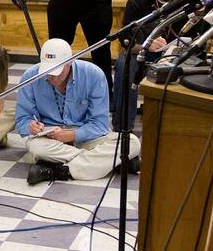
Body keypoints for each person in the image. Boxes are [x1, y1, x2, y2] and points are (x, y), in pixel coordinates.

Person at [14, 38, 139, 185]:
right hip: (50, 138)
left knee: (131, 142)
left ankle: (59, 170)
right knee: (35, 147)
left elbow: (99, 124)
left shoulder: (94, 75)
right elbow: (21, 121)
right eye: (47, 72)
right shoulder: (30, 77)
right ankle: (109, 162)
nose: (51, 77)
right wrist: (30, 126)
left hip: (87, 136)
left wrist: (72, 135)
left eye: (56, 72)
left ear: (70, 62)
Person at [114, 0, 182, 129]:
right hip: (146, 54)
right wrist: (146, 45)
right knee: (125, 63)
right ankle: (122, 130)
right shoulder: (138, 1)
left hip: (181, 56)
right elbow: (125, 42)